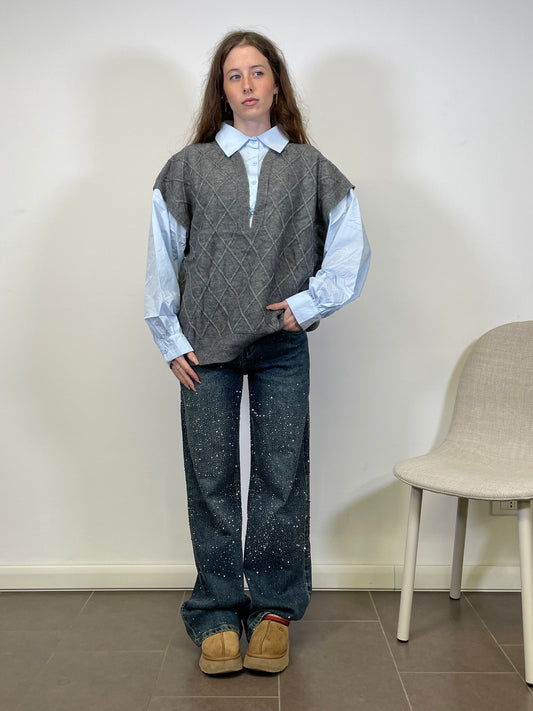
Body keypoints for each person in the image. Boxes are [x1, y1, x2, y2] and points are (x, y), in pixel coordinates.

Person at [145, 29, 370, 675]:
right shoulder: (187, 167)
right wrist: (168, 337)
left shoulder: (308, 165)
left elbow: (351, 244)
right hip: (204, 347)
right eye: (233, 75)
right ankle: (217, 609)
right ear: (221, 90)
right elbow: (163, 252)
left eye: (257, 72)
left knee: (280, 474)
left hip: (279, 347)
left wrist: (308, 303)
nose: (246, 85)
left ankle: (272, 609)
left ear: (276, 84)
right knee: (210, 477)